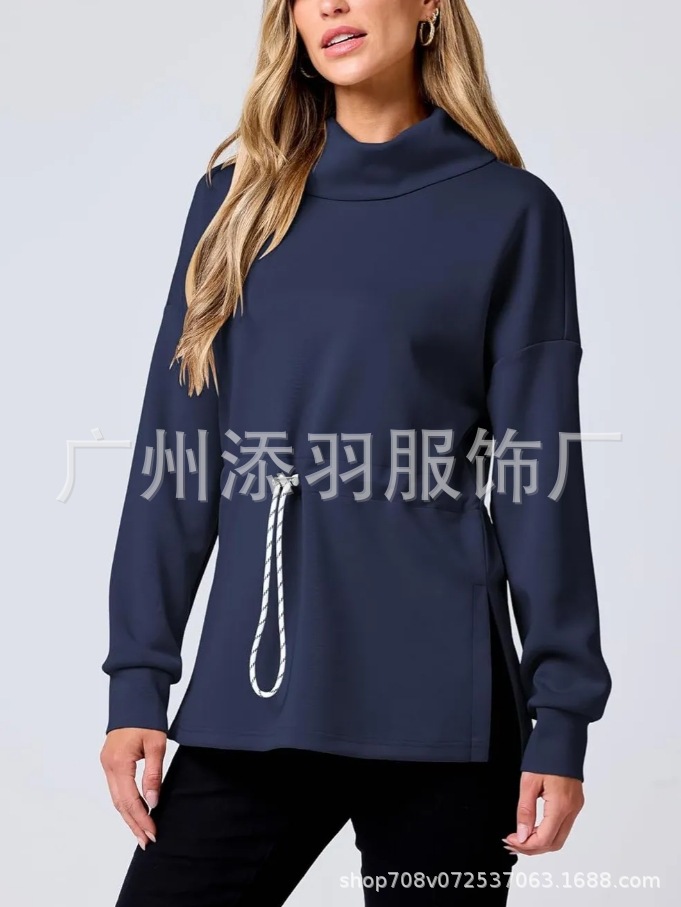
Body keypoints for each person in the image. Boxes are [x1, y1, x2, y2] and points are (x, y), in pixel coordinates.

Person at [99, 1, 612, 904]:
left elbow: (539, 483)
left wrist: (560, 716)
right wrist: (138, 682)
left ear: (428, 6)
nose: (330, 4)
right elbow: (175, 454)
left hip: (445, 712)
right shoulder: (233, 203)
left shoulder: (510, 213)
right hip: (259, 690)